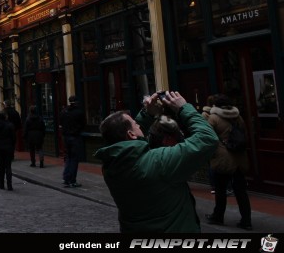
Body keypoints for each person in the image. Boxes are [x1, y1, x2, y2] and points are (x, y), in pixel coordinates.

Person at [94, 91, 219, 233]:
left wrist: (147, 114)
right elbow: (207, 139)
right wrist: (184, 108)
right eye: (136, 125)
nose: (140, 126)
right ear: (131, 134)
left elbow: (128, 142)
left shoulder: (111, 166)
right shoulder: (158, 162)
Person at [205, 94, 252, 230]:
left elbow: (208, 137)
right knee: (241, 191)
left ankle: (218, 216)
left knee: (220, 190)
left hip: (222, 159)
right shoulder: (238, 118)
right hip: (239, 158)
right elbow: (245, 135)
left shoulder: (213, 118)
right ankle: (246, 220)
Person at [59, 95, 86, 188]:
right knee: (74, 159)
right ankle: (72, 180)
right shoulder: (79, 112)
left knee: (68, 157)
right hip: (75, 137)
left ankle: (66, 178)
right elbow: (83, 124)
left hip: (66, 137)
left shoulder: (64, 112)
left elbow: (60, 124)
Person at [0, 110, 16, 190]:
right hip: (8, 147)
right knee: (8, 166)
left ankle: (1, 184)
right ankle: (9, 185)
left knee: (1, 166)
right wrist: (12, 146)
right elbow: (14, 137)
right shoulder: (10, 125)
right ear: (5, 116)